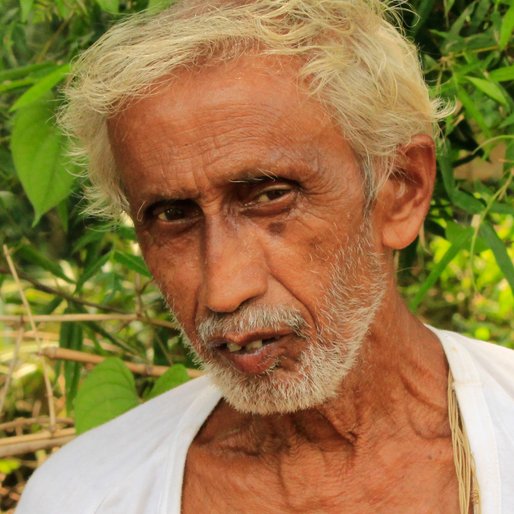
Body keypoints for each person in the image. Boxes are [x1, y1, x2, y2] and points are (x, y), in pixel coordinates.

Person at [17, 1, 514, 513]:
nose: (223, 289)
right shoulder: (85, 497)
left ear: (401, 189)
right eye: (172, 215)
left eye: (270, 196)